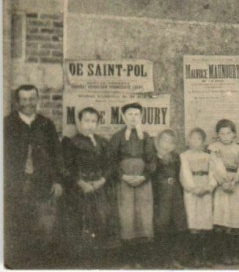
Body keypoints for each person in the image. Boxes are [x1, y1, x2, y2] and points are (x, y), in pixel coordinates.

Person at [5, 85, 65, 268]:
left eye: (32, 98)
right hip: (16, 183)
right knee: (17, 222)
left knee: (43, 223)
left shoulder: (46, 124)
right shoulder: (7, 124)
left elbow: (57, 154)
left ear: (37, 100)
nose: (28, 103)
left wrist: (57, 181)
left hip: (42, 182)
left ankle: (40, 263)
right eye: (24, 99)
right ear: (17, 102)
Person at [61, 107, 117, 266]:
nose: (90, 125)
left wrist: (101, 181)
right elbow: (65, 167)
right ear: (79, 122)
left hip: (99, 187)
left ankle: (99, 261)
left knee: (101, 219)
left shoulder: (102, 142)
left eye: (93, 121)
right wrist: (81, 183)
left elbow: (110, 165)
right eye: (86, 120)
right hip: (80, 189)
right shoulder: (71, 142)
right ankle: (82, 261)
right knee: (82, 221)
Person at [107, 102, 157, 267]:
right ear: (124, 117)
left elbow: (151, 161)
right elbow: (111, 161)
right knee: (126, 217)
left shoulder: (147, 137)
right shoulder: (117, 137)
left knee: (143, 217)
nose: (133, 117)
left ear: (140, 117)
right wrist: (123, 176)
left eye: (136, 114)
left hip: (143, 182)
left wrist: (144, 176)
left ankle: (141, 260)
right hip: (125, 182)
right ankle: (128, 260)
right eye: (130, 114)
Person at [209, 119, 239, 265]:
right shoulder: (215, 149)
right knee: (222, 218)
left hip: (236, 186)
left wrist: (235, 179)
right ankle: (223, 254)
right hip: (222, 186)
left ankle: (234, 253)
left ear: (234, 134)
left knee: (235, 218)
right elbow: (215, 166)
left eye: (228, 133)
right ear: (218, 135)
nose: (225, 136)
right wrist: (224, 181)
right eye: (222, 133)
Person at [180, 127, 217, 266]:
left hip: (205, 190)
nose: (195, 141)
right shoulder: (184, 156)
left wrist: (209, 186)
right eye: (192, 138)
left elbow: (213, 173)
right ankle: (194, 256)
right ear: (188, 140)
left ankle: (204, 255)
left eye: (199, 139)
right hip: (192, 191)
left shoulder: (208, 157)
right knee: (193, 220)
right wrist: (193, 188)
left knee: (205, 220)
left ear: (203, 141)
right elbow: (185, 174)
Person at [152, 129, 188, 267]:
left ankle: (174, 259)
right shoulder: (153, 157)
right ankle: (162, 260)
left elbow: (180, 176)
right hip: (160, 196)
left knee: (177, 224)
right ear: (158, 141)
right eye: (164, 140)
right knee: (161, 225)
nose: (167, 144)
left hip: (175, 195)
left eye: (170, 142)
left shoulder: (176, 157)